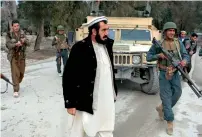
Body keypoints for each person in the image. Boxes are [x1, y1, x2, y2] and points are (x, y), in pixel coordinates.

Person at [62, 16, 118, 137]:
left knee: (106, 127)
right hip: (85, 98)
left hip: (106, 99)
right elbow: (69, 76)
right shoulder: (79, 48)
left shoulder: (107, 45)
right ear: (93, 31)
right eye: (103, 30)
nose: (107, 33)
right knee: (79, 130)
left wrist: (114, 92)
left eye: (107, 29)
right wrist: (70, 102)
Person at [146, 22, 190, 135]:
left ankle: (161, 108)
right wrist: (158, 55)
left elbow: (186, 55)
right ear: (165, 31)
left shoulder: (178, 42)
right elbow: (148, 57)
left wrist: (185, 61)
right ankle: (170, 121)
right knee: (166, 97)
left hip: (175, 72)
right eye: (169, 30)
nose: (172, 32)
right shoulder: (158, 44)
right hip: (164, 73)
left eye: (173, 30)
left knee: (178, 93)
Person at [6, 20, 30, 97]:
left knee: (21, 73)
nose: (16, 27)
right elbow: (8, 44)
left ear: (19, 26)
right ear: (12, 27)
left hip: (22, 56)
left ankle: (16, 82)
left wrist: (24, 40)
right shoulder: (9, 34)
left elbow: (29, 43)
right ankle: (16, 89)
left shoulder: (22, 33)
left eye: (17, 26)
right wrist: (16, 44)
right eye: (15, 26)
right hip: (13, 56)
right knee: (15, 73)